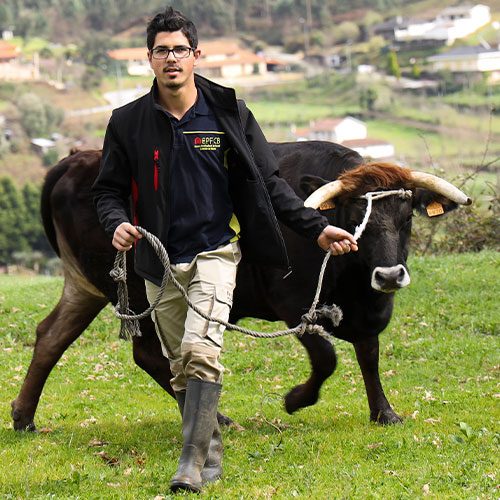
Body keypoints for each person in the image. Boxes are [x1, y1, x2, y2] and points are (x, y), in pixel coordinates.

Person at [92, 6, 358, 493]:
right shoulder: (126, 122)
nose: (171, 58)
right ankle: (208, 444)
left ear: (196, 55)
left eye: (179, 50)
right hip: (157, 262)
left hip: (216, 253)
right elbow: (107, 191)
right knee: (179, 364)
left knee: (200, 350)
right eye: (161, 50)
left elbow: (270, 183)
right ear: (148, 59)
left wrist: (316, 228)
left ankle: (192, 464)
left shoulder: (228, 114)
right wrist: (116, 224)